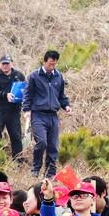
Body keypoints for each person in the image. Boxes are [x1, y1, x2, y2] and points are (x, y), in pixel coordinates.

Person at [22, 49, 71, 177]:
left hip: (53, 115)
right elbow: (28, 94)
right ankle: (36, 168)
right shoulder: (34, 76)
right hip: (38, 114)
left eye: (54, 64)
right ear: (44, 62)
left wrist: (66, 106)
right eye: (50, 63)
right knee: (42, 142)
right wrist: (26, 110)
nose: (52, 66)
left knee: (53, 146)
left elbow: (61, 95)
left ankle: (50, 172)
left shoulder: (58, 76)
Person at [0, 54, 26, 161]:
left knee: (16, 136)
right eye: (3, 63)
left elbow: (24, 89)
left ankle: (18, 160)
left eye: (7, 63)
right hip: (0, 110)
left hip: (14, 111)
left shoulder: (18, 75)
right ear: (0, 64)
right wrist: (5, 95)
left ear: (11, 63)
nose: (5, 66)